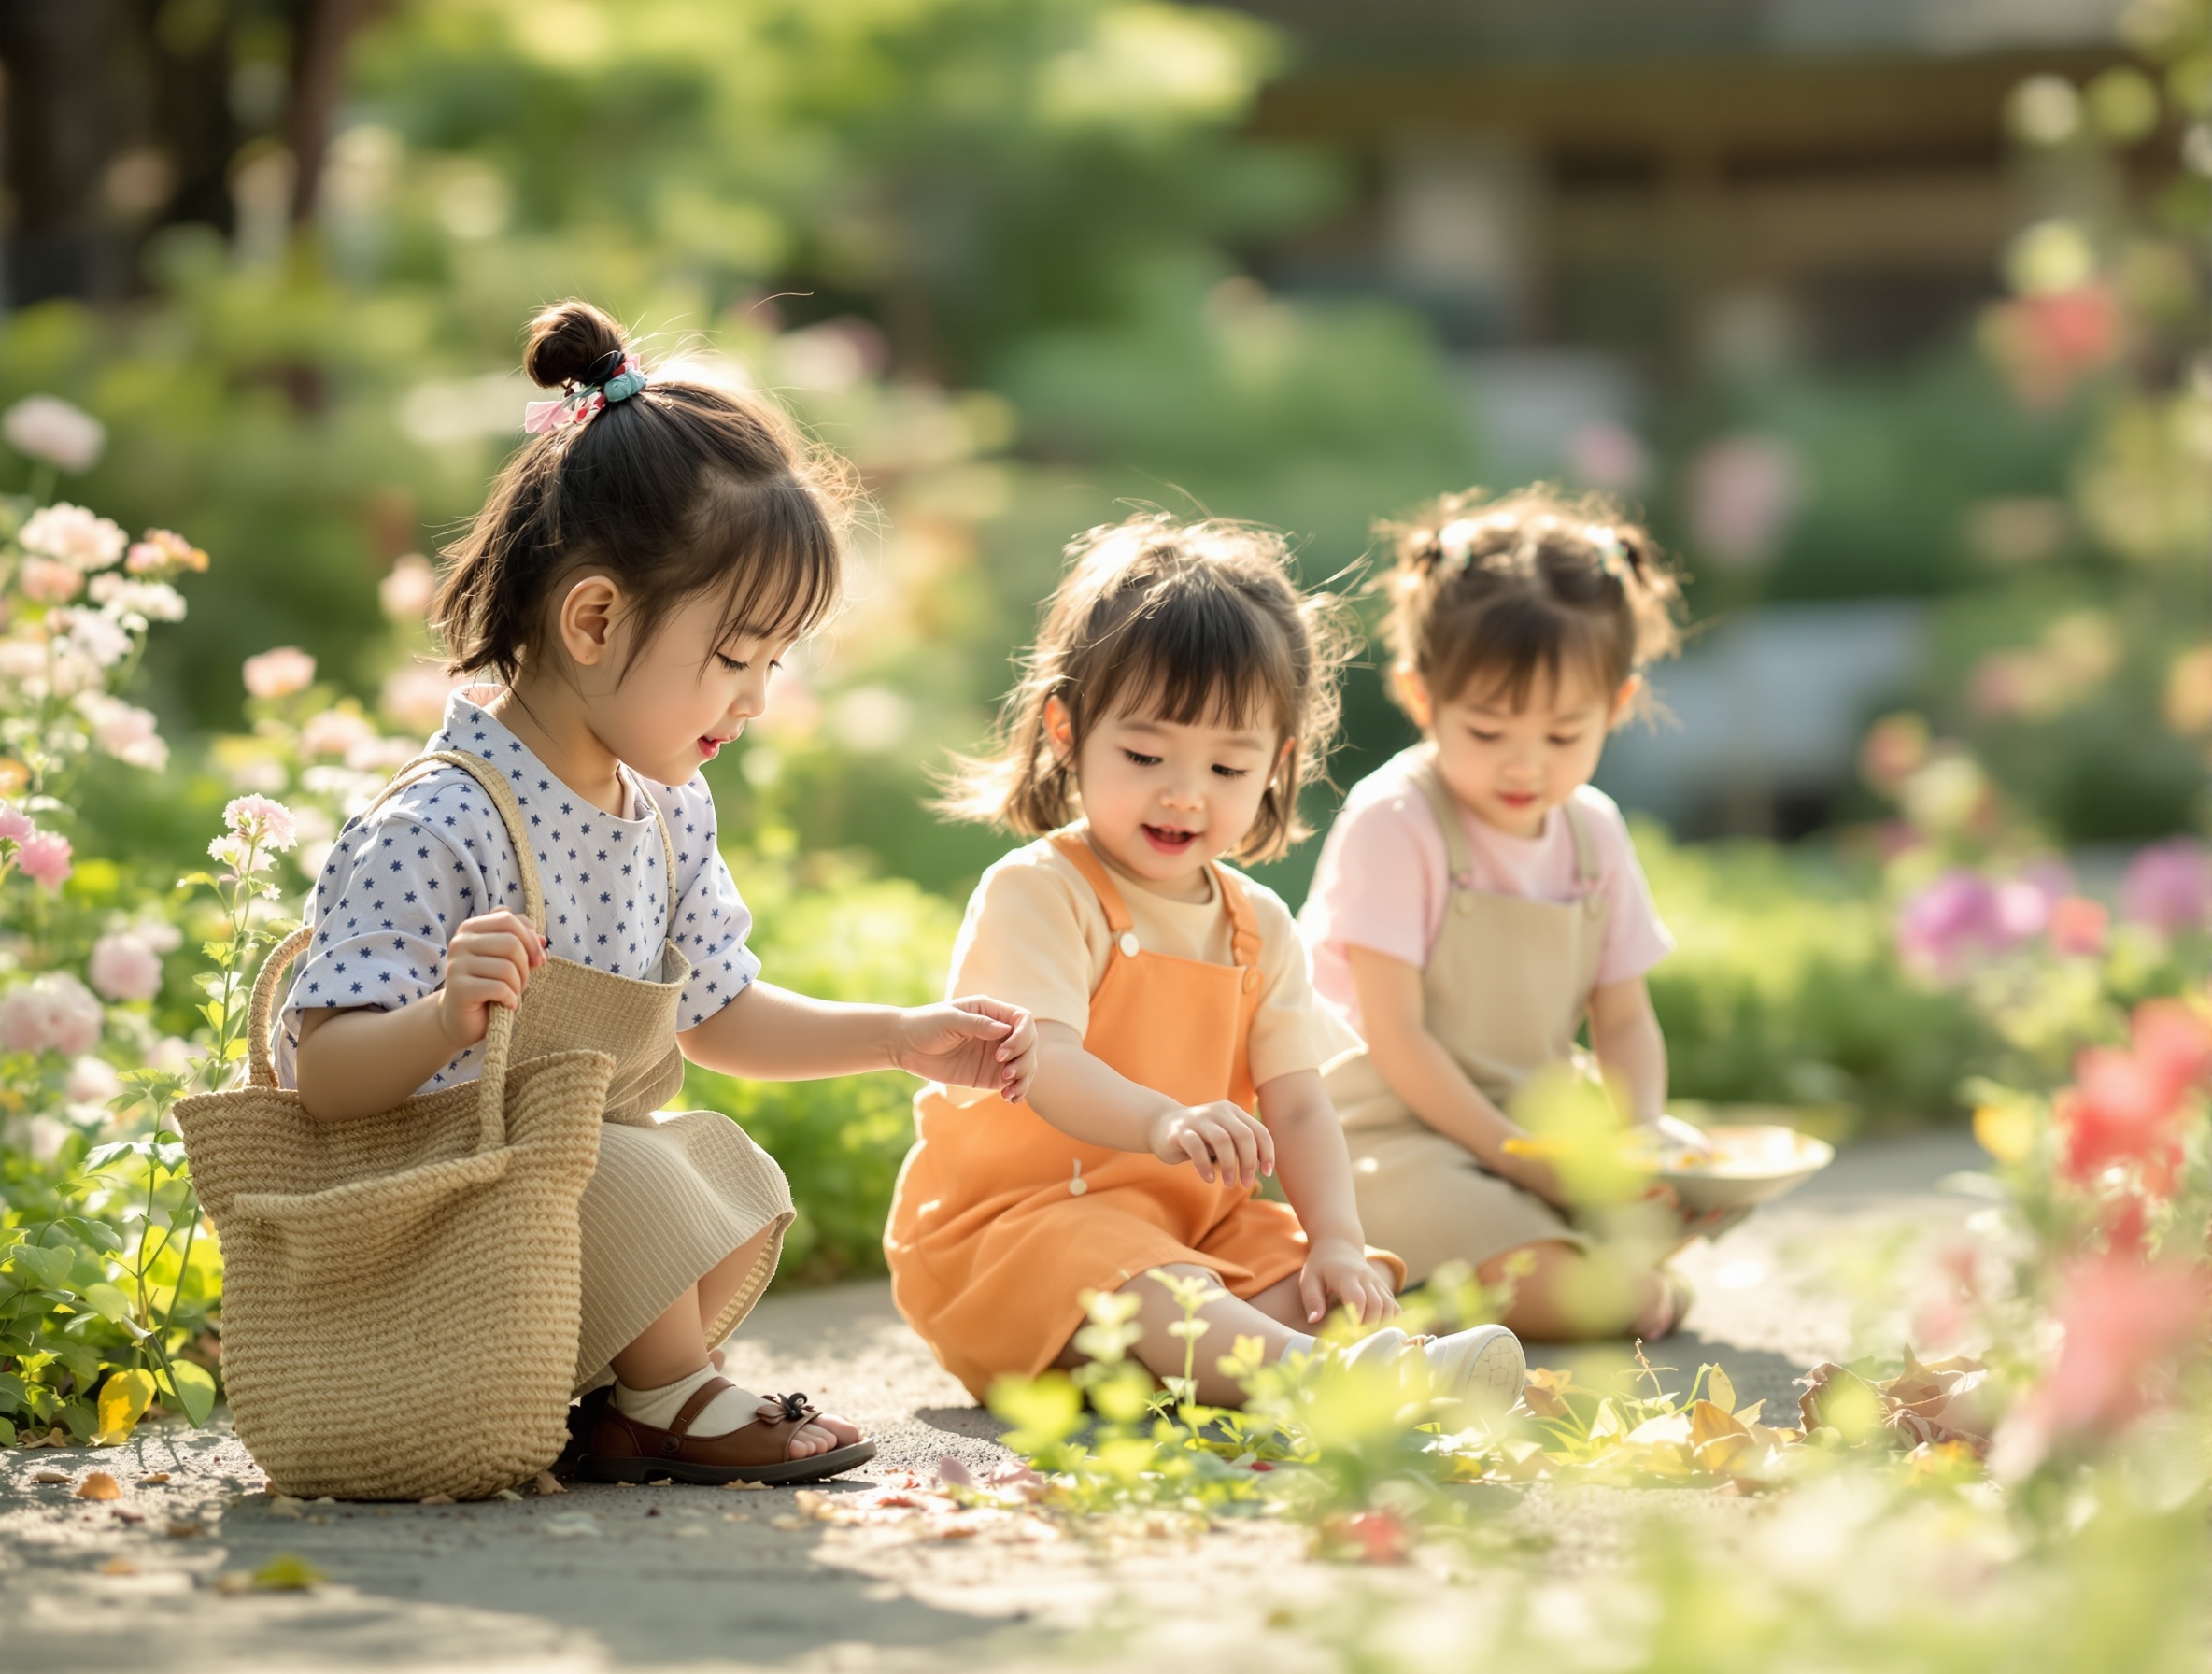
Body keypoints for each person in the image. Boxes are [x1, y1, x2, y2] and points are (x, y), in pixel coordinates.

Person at [277, 300, 1038, 1485]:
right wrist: (439, 1021)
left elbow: (718, 1011)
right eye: (734, 658)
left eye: (774, 664)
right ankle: (675, 1395)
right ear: (593, 617)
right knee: (626, 1162)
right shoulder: (440, 820)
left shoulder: (668, 810)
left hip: (546, 1204)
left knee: (710, 1160)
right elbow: (322, 1079)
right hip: (422, 1233)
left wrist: (898, 1037)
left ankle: (627, 1402)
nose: (756, 699)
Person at [886, 515, 1526, 1412]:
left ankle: (1356, 1366)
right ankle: (1325, 1387)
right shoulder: (1040, 892)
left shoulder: (1257, 923)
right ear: (1066, 731)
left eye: (1229, 765)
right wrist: (1160, 1122)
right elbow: (1047, 1062)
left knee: (1310, 1284)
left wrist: (1337, 1237)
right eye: (1145, 753)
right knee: (1147, 1279)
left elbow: (1300, 1102)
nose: (1184, 792)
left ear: (1278, 764)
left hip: (1190, 1230)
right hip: (1018, 1237)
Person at [1299, 486, 1690, 1341]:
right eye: (1486, 731)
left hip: (1532, 1133)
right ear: (1420, 694)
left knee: (1673, 1206)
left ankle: (1573, 1267)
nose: (1524, 766)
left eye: (1561, 736)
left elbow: (1623, 1019)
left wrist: (1636, 1143)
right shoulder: (1397, 820)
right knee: (1592, 1293)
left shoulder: (1594, 831)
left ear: (1616, 707)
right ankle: (1439, 1292)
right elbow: (1397, 1041)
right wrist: (1524, 1161)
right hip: (1390, 1136)